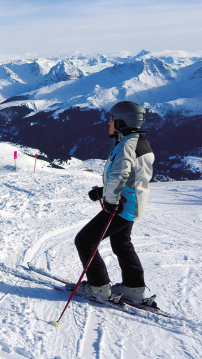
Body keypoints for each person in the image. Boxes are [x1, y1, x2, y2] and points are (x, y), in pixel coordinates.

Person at [74, 101, 154, 303]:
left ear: (121, 122)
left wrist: (110, 200)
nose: (108, 123)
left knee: (85, 240)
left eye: (111, 119)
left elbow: (119, 174)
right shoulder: (139, 142)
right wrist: (104, 190)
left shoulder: (126, 146)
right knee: (121, 243)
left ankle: (98, 287)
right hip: (132, 205)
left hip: (122, 206)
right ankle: (133, 289)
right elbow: (134, 177)